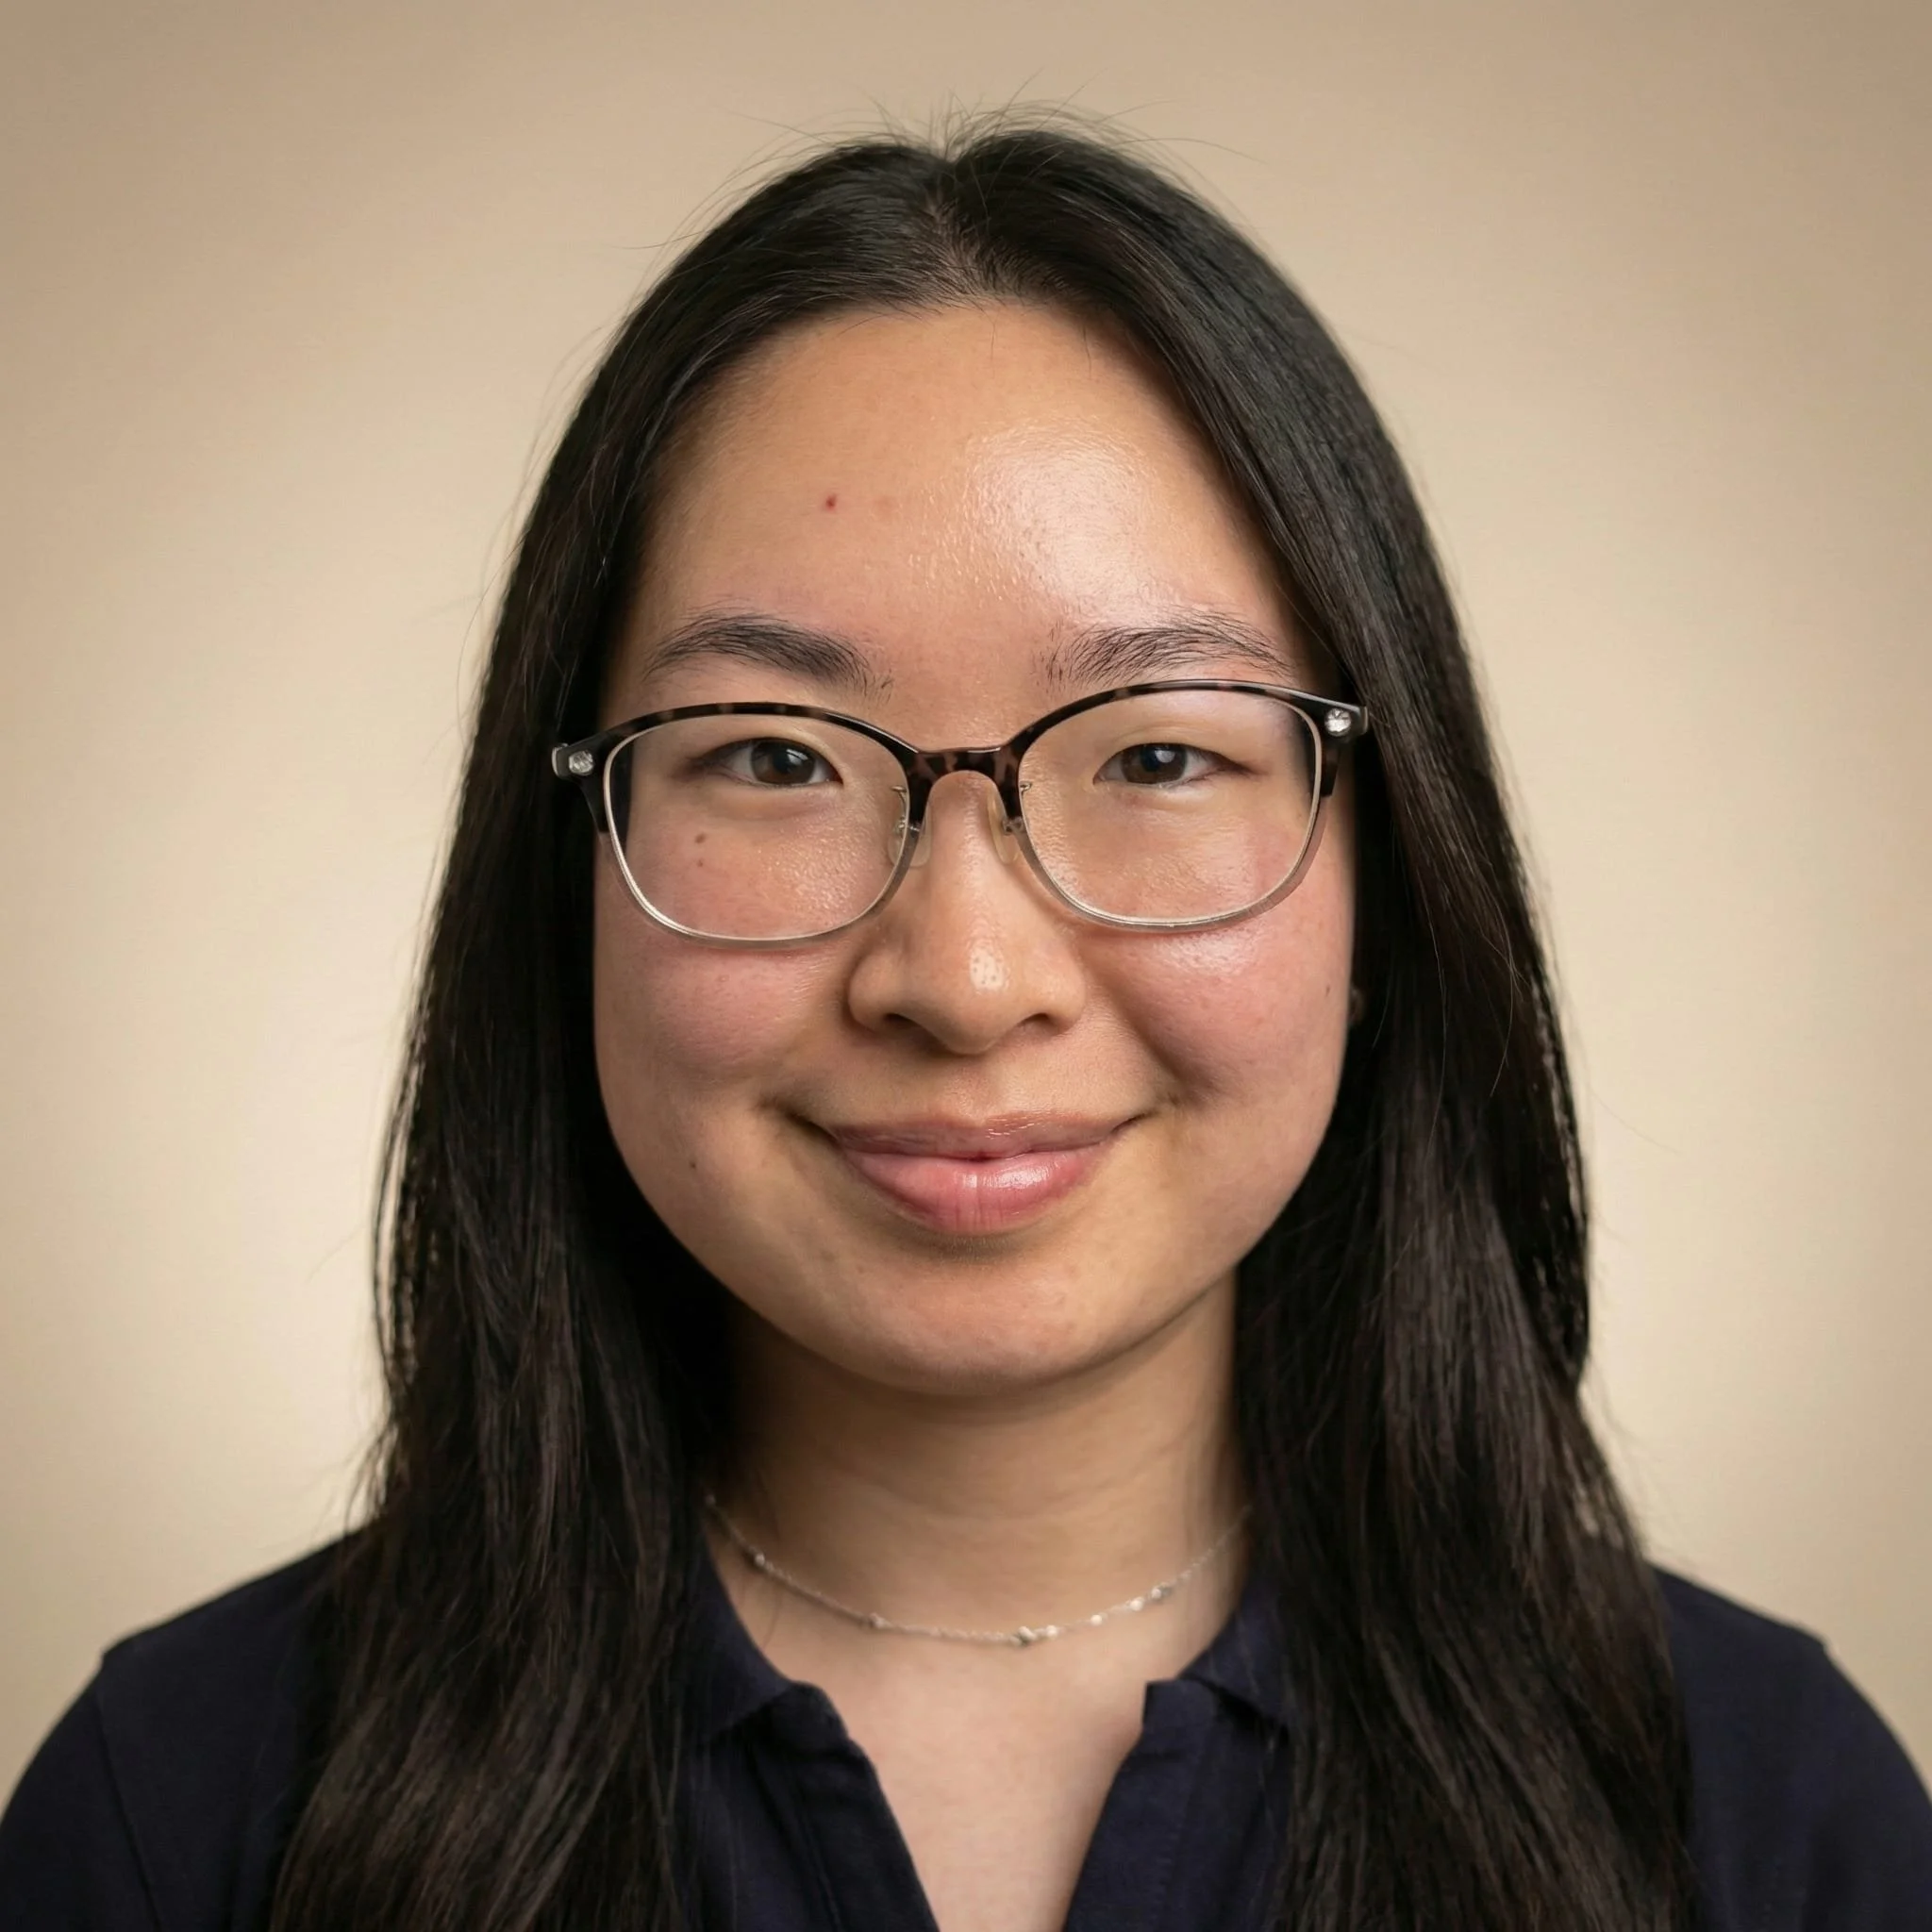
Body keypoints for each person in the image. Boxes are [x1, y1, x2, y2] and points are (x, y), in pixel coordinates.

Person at [2, 119, 1927, 1932]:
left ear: (1387, 870)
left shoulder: (1761, 1815)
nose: (967, 970)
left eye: (1158, 751)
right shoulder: (183, 1816)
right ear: (569, 857)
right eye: (771, 756)